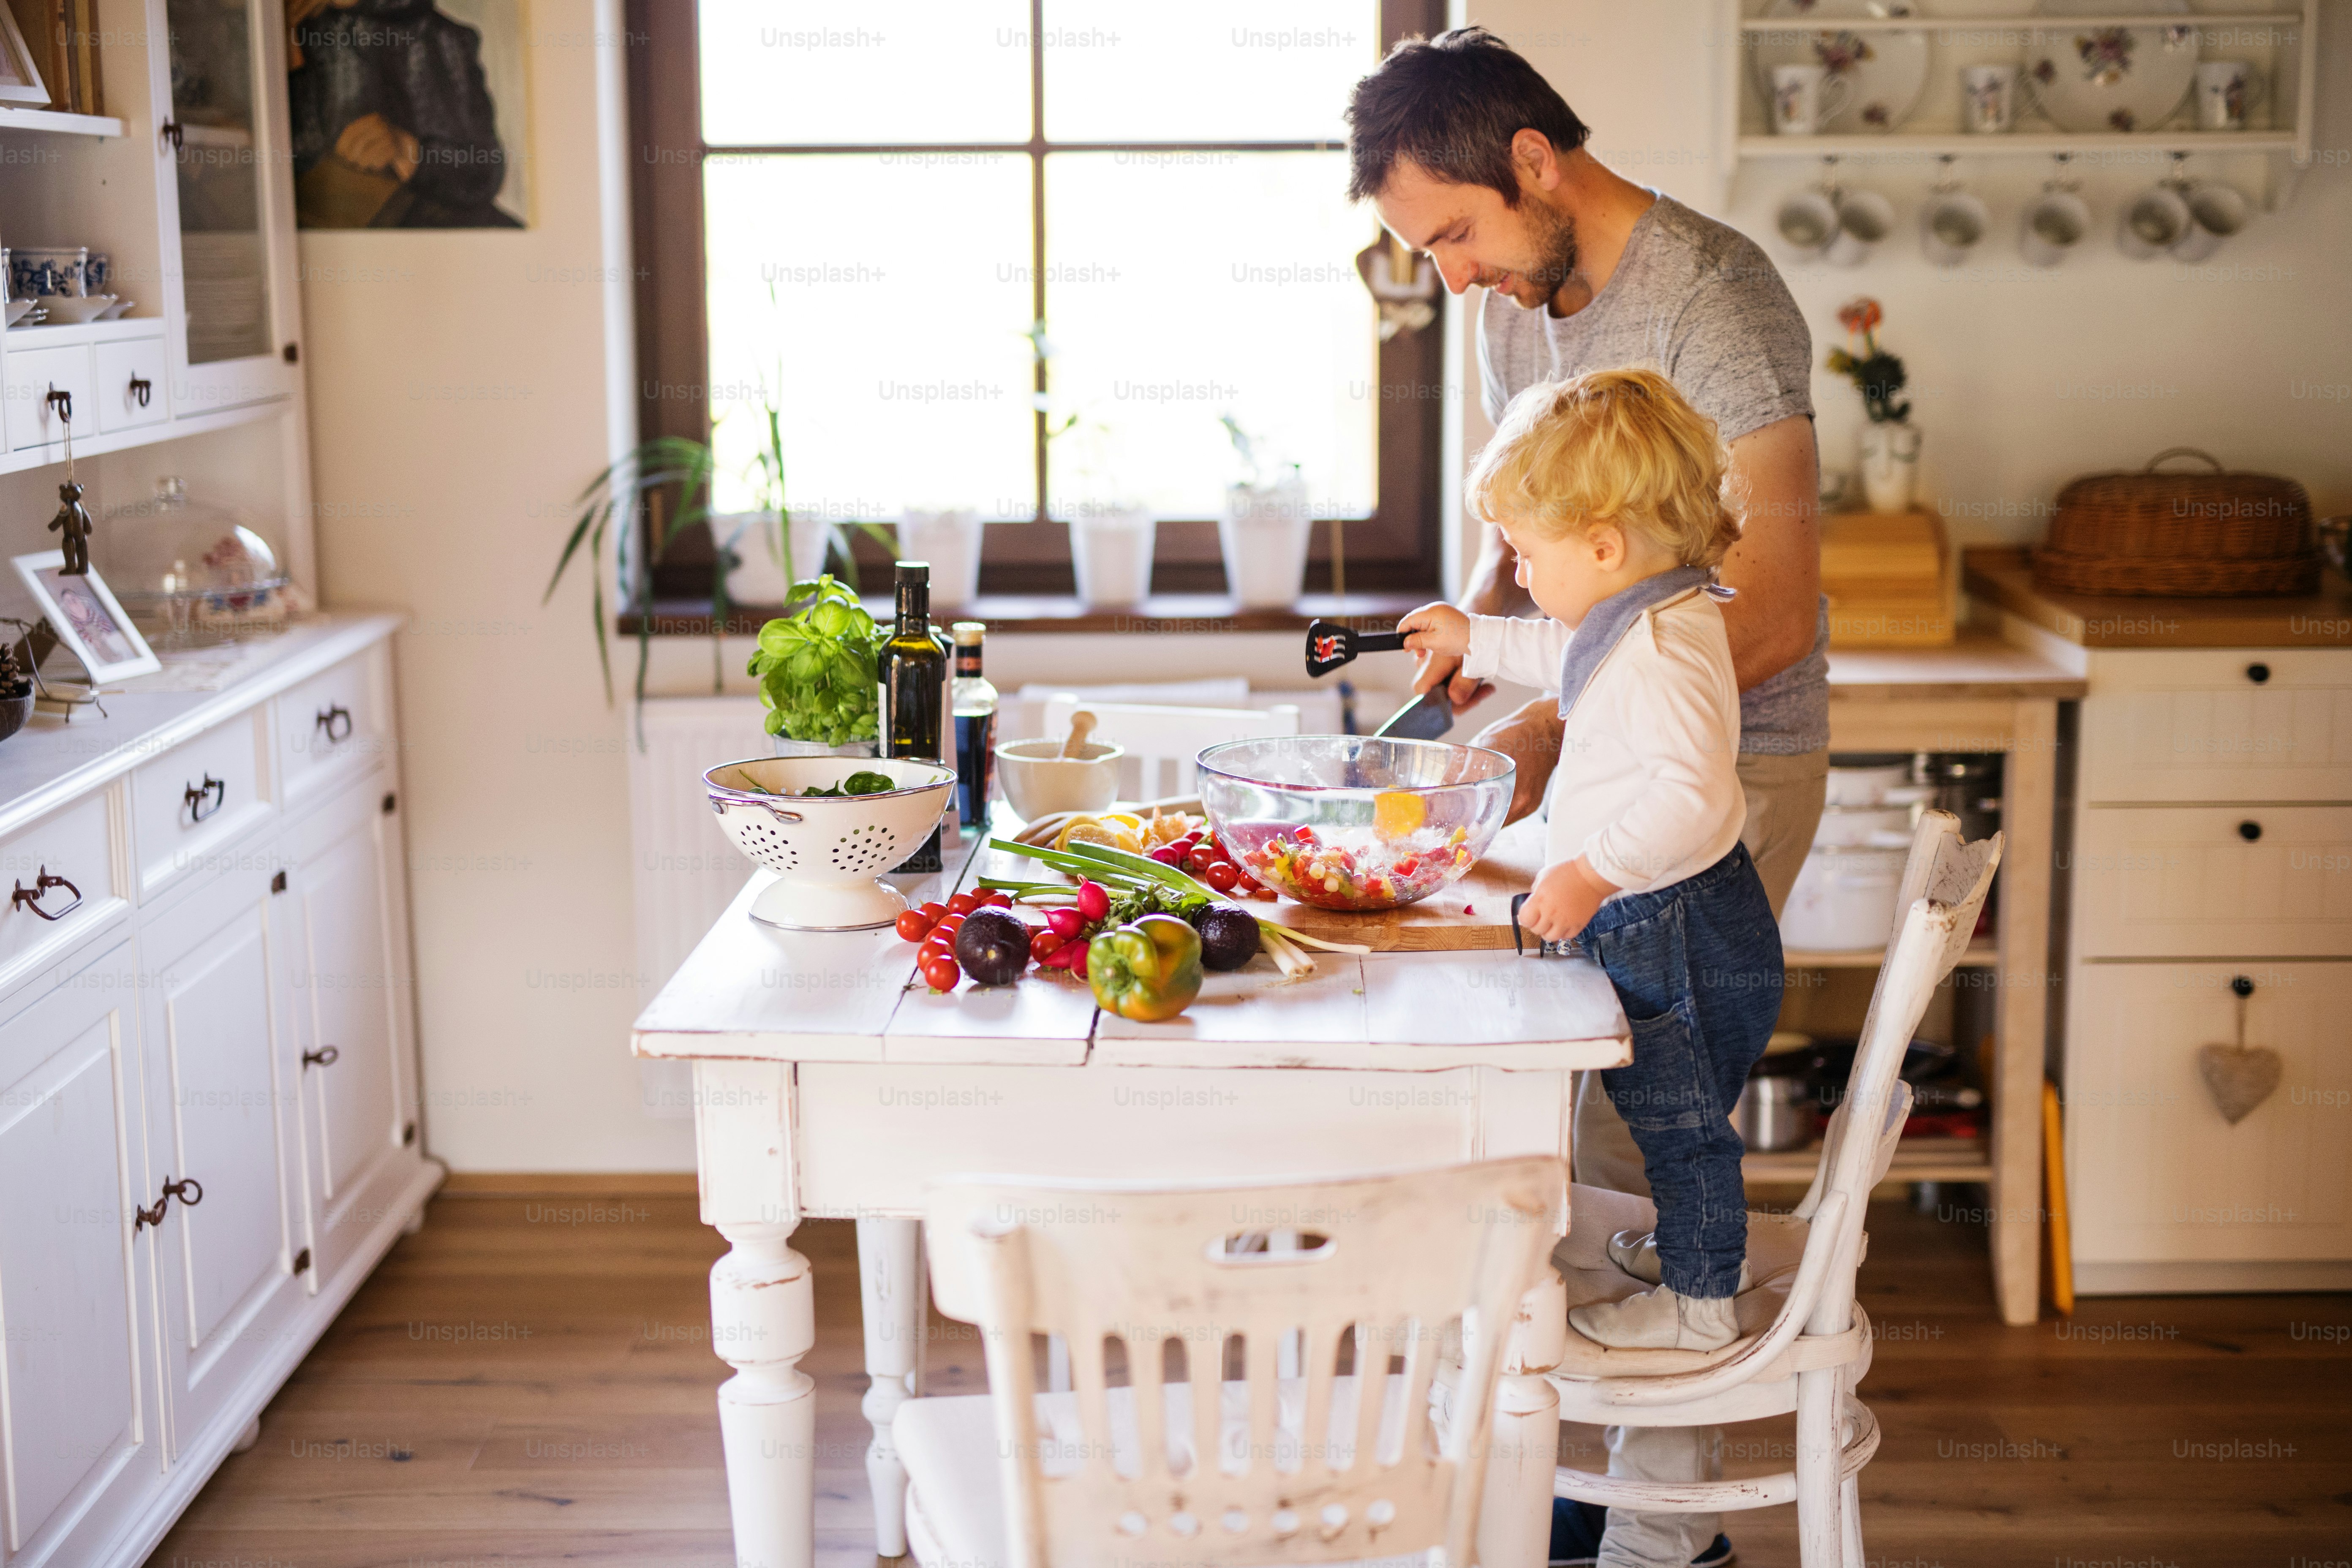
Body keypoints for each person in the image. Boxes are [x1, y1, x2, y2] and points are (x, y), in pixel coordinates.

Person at [1347, 28, 1828, 1568]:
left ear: (1532, 163)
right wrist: (1458, 672)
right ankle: (1561, 1488)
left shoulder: (1715, 297)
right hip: (1602, 751)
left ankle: (1657, 1535)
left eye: (1453, 233)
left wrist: (1551, 725)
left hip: (1712, 767)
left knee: (1641, 1129)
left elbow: (1767, 606)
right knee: (1553, 1114)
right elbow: (1538, 548)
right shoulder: (1520, 303)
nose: (1450, 275)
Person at [1403, 366, 1780, 1346]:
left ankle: (1701, 1308)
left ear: (1605, 546)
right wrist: (1473, 636)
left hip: (1671, 921)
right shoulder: (1645, 616)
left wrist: (1590, 872)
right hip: (1674, 913)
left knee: (1678, 1119)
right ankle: (1697, 1253)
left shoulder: (1661, 651)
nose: (1520, 572)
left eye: (1526, 553)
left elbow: (1693, 795)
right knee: (1669, 1105)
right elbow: (1564, 652)